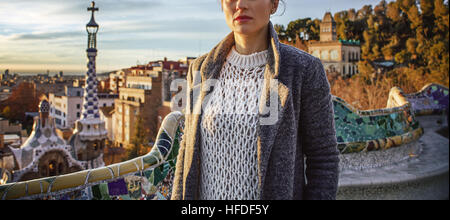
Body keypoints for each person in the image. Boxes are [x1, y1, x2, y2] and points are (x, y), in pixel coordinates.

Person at [171, 0, 340, 200]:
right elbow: (186, 150)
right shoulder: (199, 69)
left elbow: (323, 158)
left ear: (274, 4)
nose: (240, 4)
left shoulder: (303, 69)